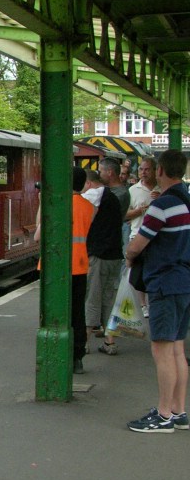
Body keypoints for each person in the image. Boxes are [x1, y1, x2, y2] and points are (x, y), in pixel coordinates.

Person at [124, 149, 190, 433]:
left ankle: (163, 415)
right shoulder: (187, 202)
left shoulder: (162, 205)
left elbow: (138, 244)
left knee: (161, 349)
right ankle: (178, 410)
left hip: (164, 281)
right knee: (176, 348)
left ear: (161, 170)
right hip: (184, 280)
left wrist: (129, 256)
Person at [34, 166, 94, 373]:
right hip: (80, 265)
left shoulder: (57, 205)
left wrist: (43, 204)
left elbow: (38, 236)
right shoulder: (89, 206)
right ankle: (77, 356)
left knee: (52, 312)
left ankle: (53, 353)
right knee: (78, 313)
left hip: (55, 268)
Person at [82, 167, 124, 355]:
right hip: (115, 255)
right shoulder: (112, 197)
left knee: (92, 297)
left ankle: (84, 340)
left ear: (89, 183)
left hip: (98, 255)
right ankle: (109, 341)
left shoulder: (92, 195)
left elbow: (84, 222)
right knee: (109, 299)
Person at [126, 157, 160, 317]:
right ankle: (142, 304)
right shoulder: (133, 190)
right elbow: (125, 215)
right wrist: (139, 211)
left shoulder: (161, 189)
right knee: (139, 273)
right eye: (141, 169)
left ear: (155, 171)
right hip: (137, 235)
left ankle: (152, 302)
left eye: (147, 169)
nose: (143, 172)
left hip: (157, 238)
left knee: (153, 271)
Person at [99, 158, 130, 251]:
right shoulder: (108, 190)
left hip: (109, 245)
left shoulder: (120, 194)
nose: (99, 175)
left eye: (100, 171)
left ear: (109, 172)